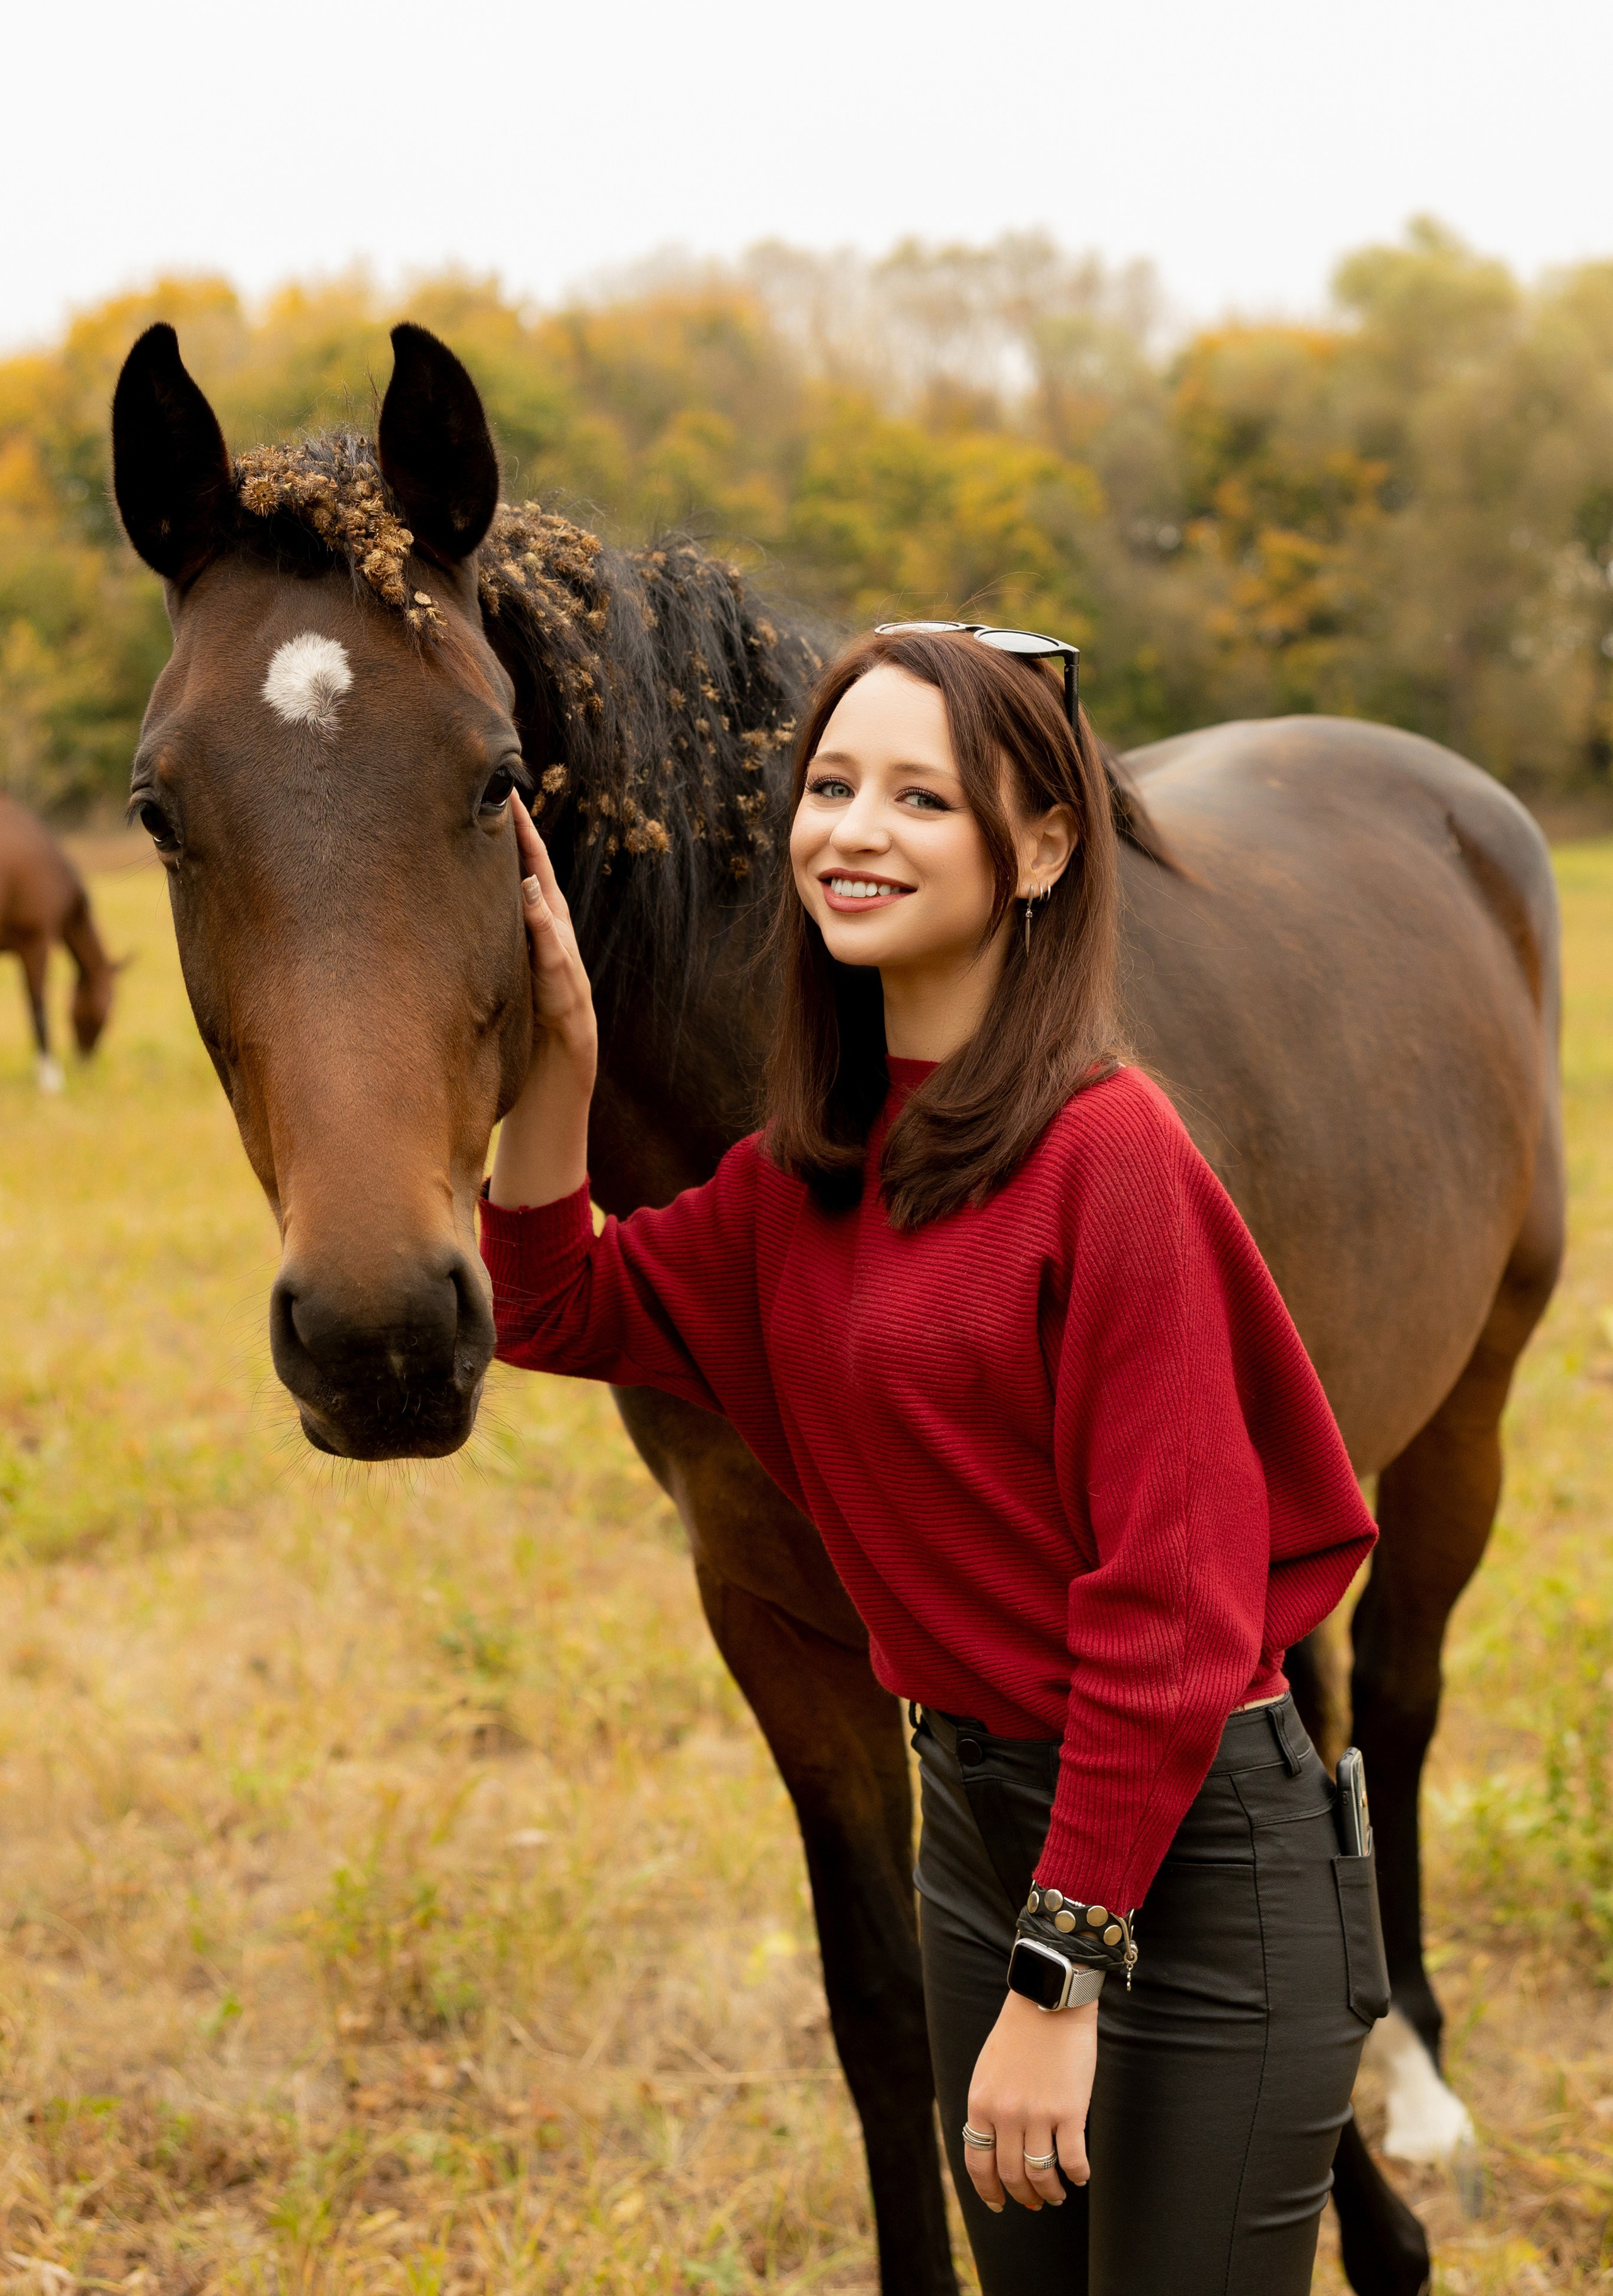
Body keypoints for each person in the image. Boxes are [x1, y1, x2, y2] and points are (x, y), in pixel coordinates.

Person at [479, 625, 1385, 2294]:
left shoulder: (1110, 1151)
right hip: (973, 1837)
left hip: (1185, 1864)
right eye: (829, 788)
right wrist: (558, 1058)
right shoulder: (797, 1180)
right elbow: (544, 1303)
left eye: (920, 795)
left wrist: (1063, 1978)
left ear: (1040, 849)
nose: (856, 830)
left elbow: (1175, 1609)